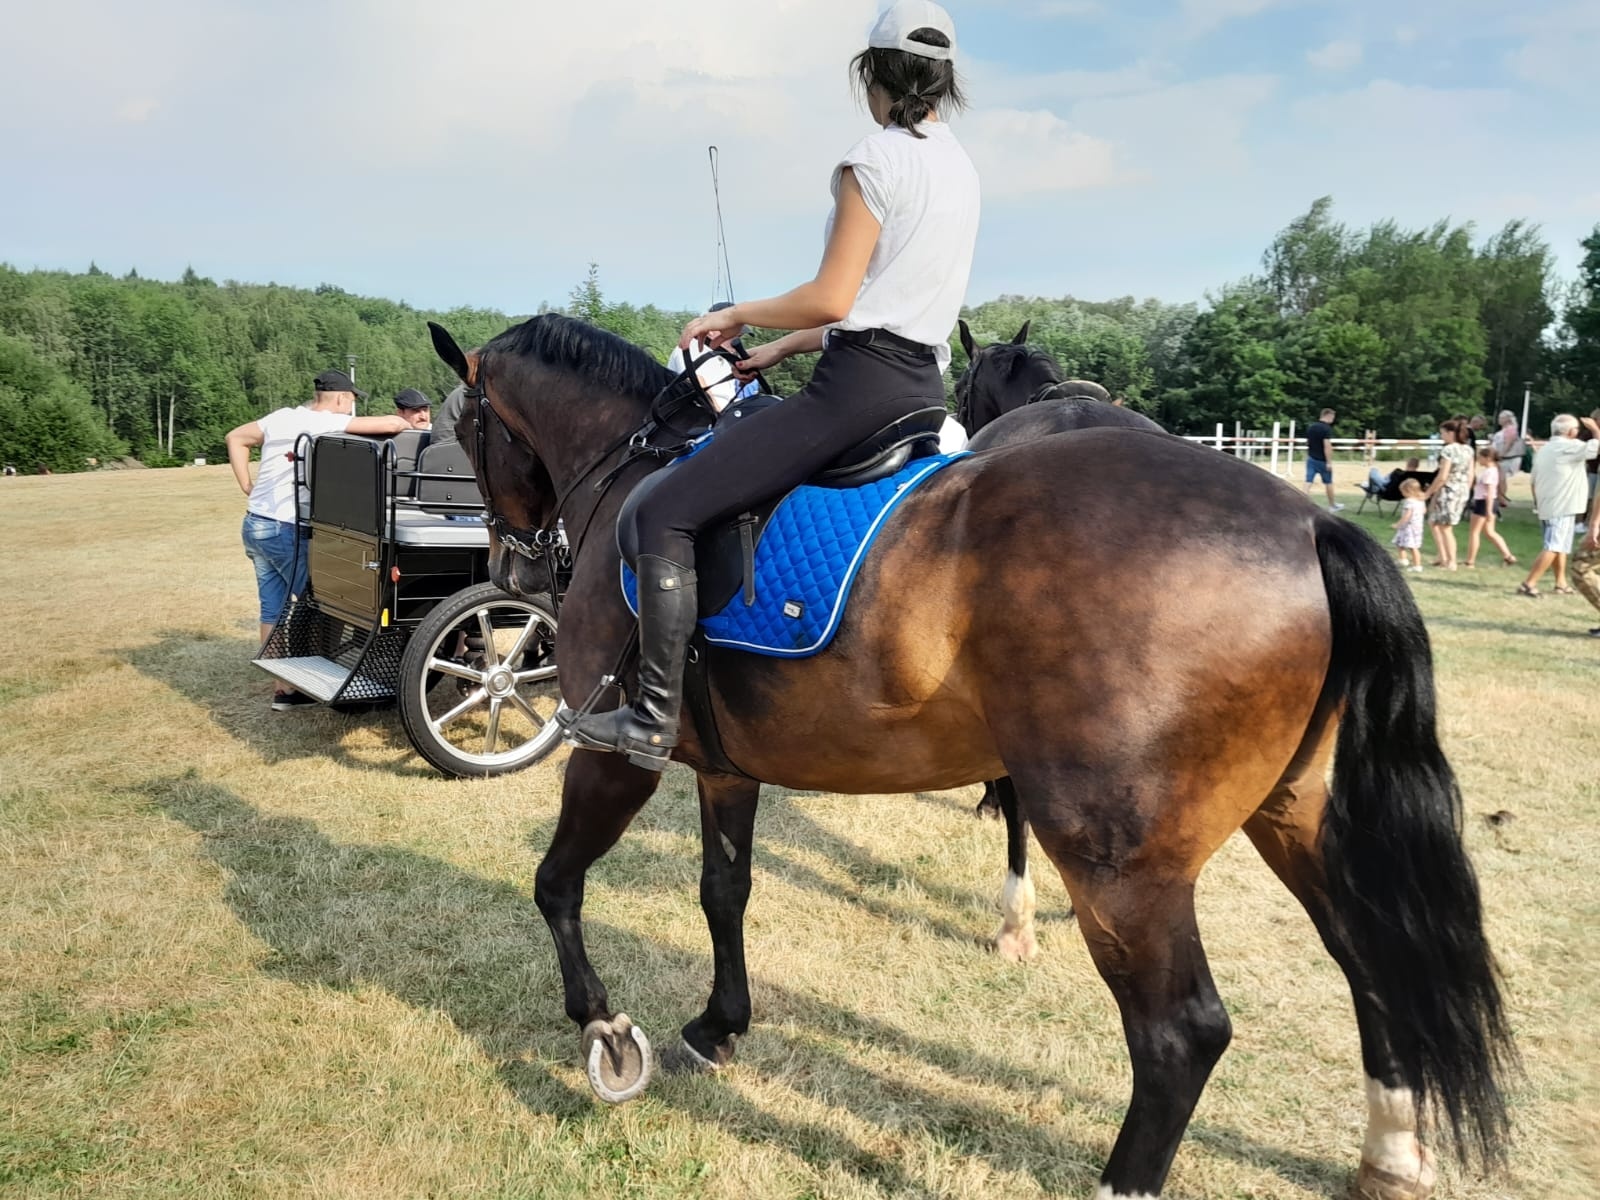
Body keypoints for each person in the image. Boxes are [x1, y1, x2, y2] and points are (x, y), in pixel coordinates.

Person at [567, 0, 980, 769]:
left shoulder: (875, 159)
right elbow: (883, 307)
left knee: (662, 508)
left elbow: (834, 296)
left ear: (872, 76)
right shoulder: (959, 167)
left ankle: (651, 718)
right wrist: (781, 348)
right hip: (920, 389)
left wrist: (735, 313)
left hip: (856, 391)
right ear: (945, 82)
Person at [226, 369, 410, 709]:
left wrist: (247, 486)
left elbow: (235, 437)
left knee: (273, 609)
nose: (351, 410)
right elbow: (395, 426)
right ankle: (328, 681)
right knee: (328, 601)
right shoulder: (323, 423)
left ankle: (284, 689)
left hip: (255, 523)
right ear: (341, 398)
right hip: (284, 528)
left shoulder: (281, 418)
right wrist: (412, 424)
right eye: (351, 402)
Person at [1517, 414, 1600, 599]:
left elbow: (1534, 480)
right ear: (1571, 432)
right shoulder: (1571, 447)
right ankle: (1528, 584)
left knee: (1560, 545)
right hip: (1563, 505)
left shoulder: (1545, 449)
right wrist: (1595, 430)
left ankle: (1560, 582)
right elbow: (1596, 449)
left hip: (1546, 503)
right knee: (1554, 546)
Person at [1422, 417, 1472, 570]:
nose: (1441, 436)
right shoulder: (1468, 450)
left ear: (1451, 433)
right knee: (1434, 522)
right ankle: (1442, 556)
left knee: (1445, 527)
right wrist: (1466, 491)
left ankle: (1451, 561)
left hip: (1448, 489)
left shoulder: (1448, 450)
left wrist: (1429, 493)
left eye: (1443, 433)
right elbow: (1471, 474)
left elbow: (1443, 476)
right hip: (1461, 489)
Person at [1464, 446, 1516, 568]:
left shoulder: (1489, 472)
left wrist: (1488, 511)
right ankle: (1508, 556)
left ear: (1488, 458)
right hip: (1488, 502)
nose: (1479, 460)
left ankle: (1470, 561)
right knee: (1489, 532)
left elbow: (1489, 491)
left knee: (1474, 532)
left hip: (1483, 503)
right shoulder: (1493, 471)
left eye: (1480, 457)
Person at [1302, 408, 1343, 512]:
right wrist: (1329, 462)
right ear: (1327, 416)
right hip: (1322, 461)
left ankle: (1301, 502)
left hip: (1311, 458)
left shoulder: (1311, 427)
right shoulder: (1326, 429)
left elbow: (1308, 443)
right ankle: (1332, 505)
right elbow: (1327, 446)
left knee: (1308, 481)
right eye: (1332, 417)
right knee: (1328, 482)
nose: (1333, 420)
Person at [1490, 410, 1525, 510]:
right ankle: (1499, 497)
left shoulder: (1510, 429)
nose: (1499, 420)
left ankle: (1501, 498)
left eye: (1501, 418)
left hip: (1506, 458)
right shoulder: (1504, 430)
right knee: (1500, 478)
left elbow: (1508, 443)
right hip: (1500, 457)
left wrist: (1501, 454)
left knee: (1501, 478)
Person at [1391, 479, 1426, 572]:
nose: (1402, 493)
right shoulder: (1420, 501)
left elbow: (1407, 515)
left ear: (1408, 491)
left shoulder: (1409, 502)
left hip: (1408, 528)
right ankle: (1403, 559)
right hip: (1417, 527)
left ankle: (1417, 565)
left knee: (1412, 547)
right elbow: (1424, 511)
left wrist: (1398, 524)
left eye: (1403, 491)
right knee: (1400, 542)